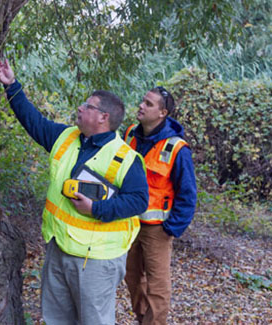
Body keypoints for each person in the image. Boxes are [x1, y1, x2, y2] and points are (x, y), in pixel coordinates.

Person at [0, 59, 149, 324]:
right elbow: (33, 121)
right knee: (58, 319)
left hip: (97, 259)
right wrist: (11, 85)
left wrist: (96, 209)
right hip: (59, 247)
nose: (80, 107)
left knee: (94, 321)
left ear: (104, 117)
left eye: (88, 106)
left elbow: (139, 201)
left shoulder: (126, 158)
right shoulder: (66, 137)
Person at [122, 86, 198, 325]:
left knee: (157, 285)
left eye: (149, 104)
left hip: (157, 228)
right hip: (129, 222)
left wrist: (172, 228)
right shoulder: (130, 136)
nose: (141, 106)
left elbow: (188, 194)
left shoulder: (176, 148)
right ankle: (143, 319)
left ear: (163, 113)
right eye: (143, 101)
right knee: (132, 278)